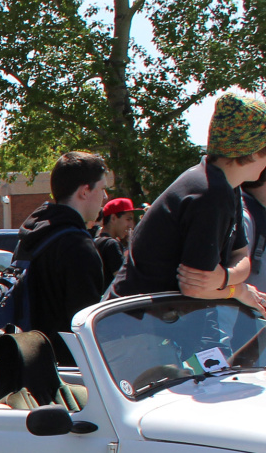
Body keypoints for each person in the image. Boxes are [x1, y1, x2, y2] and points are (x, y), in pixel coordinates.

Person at [111, 90, 266, 299]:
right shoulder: (211, 193)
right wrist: (239, 291)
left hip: (162, 320)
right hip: (139, 322)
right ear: (254, 151)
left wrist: (224, 278)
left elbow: (242, 257)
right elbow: (194, 289)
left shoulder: (225, 184)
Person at [12, 151, 110, 335]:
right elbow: (85, 325)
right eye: (102, 188)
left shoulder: (31, 235)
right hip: (65, 360)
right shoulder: (78, 246)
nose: (105, 197)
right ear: (85, 191)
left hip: (27, 352)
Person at [95, 197, 138, 284]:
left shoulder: (96, 241)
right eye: (128, 219)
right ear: (113, 218)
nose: (131, 225)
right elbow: (125, 282)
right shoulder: (112, 244)